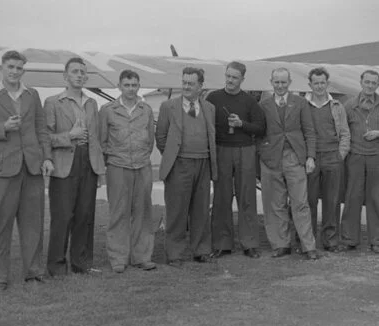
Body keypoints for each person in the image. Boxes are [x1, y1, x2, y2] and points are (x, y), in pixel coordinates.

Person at [0, 50, 53, 291]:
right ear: (1, 68)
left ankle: (34, 272)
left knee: (33, 224)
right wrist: (3, 127)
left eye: (19, 68)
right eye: (10, 67)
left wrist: (47, 157)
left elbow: (41, 129)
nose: (14, 71)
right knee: (0, 225)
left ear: (23, 71)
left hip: (32, 169)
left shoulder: (32, 95)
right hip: (2, 170)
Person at [44, 57, 106, 276]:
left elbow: (96, 138)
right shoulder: (53, 102)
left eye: (82, 72)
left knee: (85, 215)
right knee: (62, 217)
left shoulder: (91, 103)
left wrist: (99, 169)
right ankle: (57, 266)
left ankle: (82, 263)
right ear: (65, 76)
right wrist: (69, 136)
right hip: (64, 164)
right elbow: (46, 137)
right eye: (75, 71)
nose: (79, 75)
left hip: (87, 163)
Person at [156, 67, 218, 267]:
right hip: (179, 165)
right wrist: (175, 156)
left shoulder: (209, 108)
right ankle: (174, 253)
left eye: (191, 83)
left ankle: (201, 250)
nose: (186, 86)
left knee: (201, 210)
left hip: (203, 163)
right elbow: (161, 137)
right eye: (184, 82)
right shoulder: (168, 107)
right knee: (177, 211)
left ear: (201, 86)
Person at [258, 68, 320, 260]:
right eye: (276, 82)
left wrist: (310, 157)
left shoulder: (301, 103)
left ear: (290, 82)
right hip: (271, 159)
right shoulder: (263, 105)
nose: (280, 86)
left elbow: (309, 131)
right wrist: (264, 153)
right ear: (271, 82)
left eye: (283, 82)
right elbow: (259, 132)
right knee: (275, 204)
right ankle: (280, 244)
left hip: (295, 157)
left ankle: (308, 246)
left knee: (300, 203)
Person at [206, 62, 266, 259]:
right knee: (222, 197)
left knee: (246, 196)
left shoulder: (249, 101)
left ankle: (249, 243)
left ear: (242, 79)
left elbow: (260, 128)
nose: (230, 80)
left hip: (245, 150)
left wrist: (242, 124)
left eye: (234, 77)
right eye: (228, 76)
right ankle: (223, 244)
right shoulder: (213, 98)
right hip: (222, 150)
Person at [99, 70, 156, 273]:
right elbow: (102, 140)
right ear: (119, 86)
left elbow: (150, 140)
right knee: (119, 213)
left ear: (139, 86)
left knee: (143, 212)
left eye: (134, 85)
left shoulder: (146, 110)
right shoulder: (107, 110)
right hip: (118, 167)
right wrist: (114, 159)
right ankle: (118, 258)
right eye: (127, 85)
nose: (131, 89)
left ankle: (142, 256)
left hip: (142, 166)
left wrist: (140, 157)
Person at [341, 69, 379, 253]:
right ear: (361, 82)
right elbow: (342, 131)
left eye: (374, 83)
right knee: (352, 198)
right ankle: (350, 239)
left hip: (378, 158)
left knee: (377, 199)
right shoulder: (349, 106)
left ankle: (377, 241)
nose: (370, 86)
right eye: (367, 82)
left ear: (378, 85)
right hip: (356, 157)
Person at [304, 67, 350, 252]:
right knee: (309, 201)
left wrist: (341, 155)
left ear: (327, 84)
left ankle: (330, 241)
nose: (320, 86)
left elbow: (345, 133)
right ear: (310, 85)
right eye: (316, 83)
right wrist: (307, 156)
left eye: (323, 82)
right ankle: (309, 241)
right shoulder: (303, 106)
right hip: (311, 159)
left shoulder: (337, 107)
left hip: (333, 157)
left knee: (332, 201)